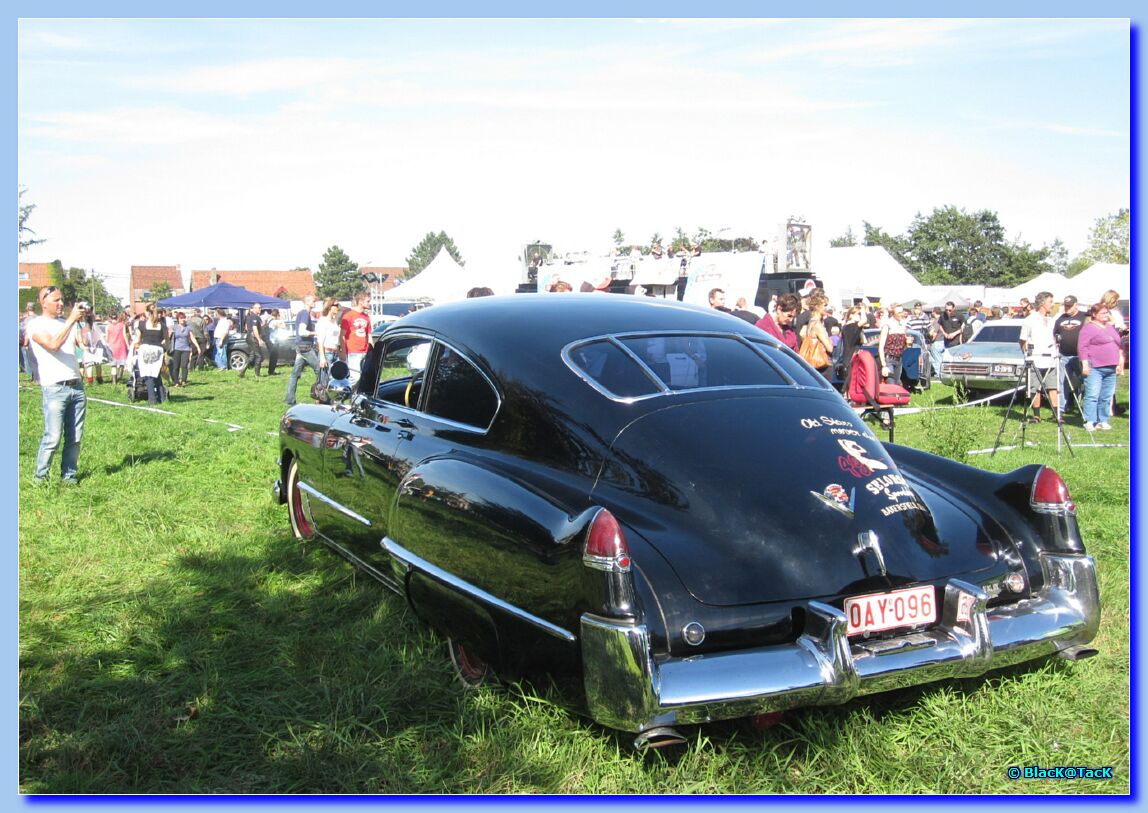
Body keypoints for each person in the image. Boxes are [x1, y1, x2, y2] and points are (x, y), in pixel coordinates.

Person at [28, 287, 88, 484]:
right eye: (56, 300)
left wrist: (80, 323)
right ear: (43, 302)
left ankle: (68, 476)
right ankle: (40, 478)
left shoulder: (66, 323)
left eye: (62, 300)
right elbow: (53, 345)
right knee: (52, 437)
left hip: (76, 386)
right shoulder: (36, 325)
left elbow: (81, 345)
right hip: (55, 388)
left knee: (75, 437)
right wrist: (71, 320)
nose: (61, 304)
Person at [1078, 302, 1124, 431]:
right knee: (1092, 395)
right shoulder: (1088, 328)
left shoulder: (1110, 327)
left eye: (1107, 313)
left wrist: (1119, 362)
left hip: (1111, 366)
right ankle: (1089, 420)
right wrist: (1085, 364)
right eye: (1103, 313)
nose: (1106, 315)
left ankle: (1102, 420)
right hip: (1095, 367)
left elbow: (1117, 345)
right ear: (1094, 314)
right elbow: (1082, 347)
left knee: (1106, 395)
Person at [1018, 291, 1060, 423]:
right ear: (1042, 303)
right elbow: (1022, 340)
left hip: (1051, 359)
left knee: (1053, 387)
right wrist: (1027, 354)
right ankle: (1036, 415)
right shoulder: (1030, 320)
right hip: (1035, 359)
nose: (1052, 305)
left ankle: (1056, 414)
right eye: (1050, 302)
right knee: (1035, 388)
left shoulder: (1052, 320)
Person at [284, 295, 321, 406]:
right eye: (313, 301)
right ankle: (320, 397)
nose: (315, 302)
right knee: (320, 370)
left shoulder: (301, 313)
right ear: (307, 302)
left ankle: (289, 399)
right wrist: (317, 333)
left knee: (295, 375)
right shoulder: (305, 313)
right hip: (306, 347)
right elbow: (302, 332)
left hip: (300, 347)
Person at [133, 304, 169, 405]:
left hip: (145, 349)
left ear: (147, 313)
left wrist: (136, 344)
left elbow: (138, 339)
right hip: (157, 349)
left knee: (147, 375)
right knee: (156, 373)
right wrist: (165, 348)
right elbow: (166, 340)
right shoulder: (162, 325)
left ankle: (152, 399)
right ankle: (162, 398)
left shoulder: (142, 324)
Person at [1053, 295, 1085, 412]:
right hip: (1064, 355)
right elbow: (1055, 333)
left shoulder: (1084, 316)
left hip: (1081, 356)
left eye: (1070, 306)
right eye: (1066, 306)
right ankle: (1062, 407)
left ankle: (1085, 406)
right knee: (1062, 381)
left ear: (1076, 305)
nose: (1067, 308)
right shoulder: (1060, 318)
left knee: (1085, 381)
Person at [799, 288, 834, 379]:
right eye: (825, 305)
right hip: (823, 363)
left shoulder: (811, 322)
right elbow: (829, 348)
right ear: (817, 307)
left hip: (814, 363)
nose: (827, 308)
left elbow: (802, 334)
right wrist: (830, 341)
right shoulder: (817, 324)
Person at [340, 291, 372, 385]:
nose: (369, 303)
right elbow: (342, 335)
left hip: (364, 350)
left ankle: (355, 396)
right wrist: (343, 351)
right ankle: (344, 391)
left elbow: (369, 334)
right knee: (355, 377)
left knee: (364, 377)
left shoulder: (366, 317)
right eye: (367, 301)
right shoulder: (349, 316)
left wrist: (372, 348)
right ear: (361, 302)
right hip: (353, 350)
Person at [878, 303, 909, 385]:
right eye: (899, 312)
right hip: (889, 360)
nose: (902, 314)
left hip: (899, 359)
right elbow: (881, 347)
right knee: (891, 386)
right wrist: (884, 365)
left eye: (902, 311)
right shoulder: (887, 325)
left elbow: (904, 346)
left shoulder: (903, 326)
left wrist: (907, 343)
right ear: (892, 314)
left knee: (897, 385)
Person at [838, 305, 867, 389]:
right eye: (858, 314)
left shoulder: (846, 327)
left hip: (847, 356)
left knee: (850, 381)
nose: (860, 316)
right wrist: (863, 309)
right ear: (851, 315)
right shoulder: (851, 327)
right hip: (852, 356)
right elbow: (864, 320)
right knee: (851, 381)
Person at [169, 311, 199, 387]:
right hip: (176, 348)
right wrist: (170, 333)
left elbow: (192, 337)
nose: (183, 319)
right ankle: (176, 382)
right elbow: (169, 337)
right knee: (176, 366)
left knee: (184, 365)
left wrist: (197, 347)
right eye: (181, 318)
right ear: (178, 319)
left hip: (186, 349)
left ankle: (183, 381)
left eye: (184, 318)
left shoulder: (188, 328)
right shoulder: (175, 327)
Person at [240, 302, 267, 378]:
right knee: (259, 356)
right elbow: (255, 329)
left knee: (252, 356)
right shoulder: (255, 317)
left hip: (249, 336)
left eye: (260, 307)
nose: (260, 309)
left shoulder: (249, 317)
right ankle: (257, 375)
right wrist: (259, 339)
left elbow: (246, 327)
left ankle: (242, 372)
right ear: (254, 309)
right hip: (253, 337)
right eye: (259, 308)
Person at [79, 312, 107, 385]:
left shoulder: (84, 329)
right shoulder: (95, 328)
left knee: (89, 365)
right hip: (96, 347)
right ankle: (99, 378)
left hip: (88, 348)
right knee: (98, 364)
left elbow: (85, 342)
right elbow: (99, 338)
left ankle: (90, 381)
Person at [316, 298, 343, 373]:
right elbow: (320, 341)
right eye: (336, 305)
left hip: (335, 353)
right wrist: (322, 358)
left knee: (335, 378)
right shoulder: (323, 321)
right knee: (325, 380)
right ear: (330, 307)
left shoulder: (334, 321)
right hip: (327, 353)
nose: (338, 307)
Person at [104, 311, 130, 385]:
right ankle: (120, 376)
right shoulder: (122, 325)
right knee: (122, 363)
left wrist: (106, 346)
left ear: (110, 317)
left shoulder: (108, 326)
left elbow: (106, 338)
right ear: (117, 317)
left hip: (111, 346)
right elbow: (125, 335)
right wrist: (128, 345)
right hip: (121, 346)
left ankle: (114, 381)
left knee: (113, 365)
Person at [927, 306, 945, 379]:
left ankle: (938, 374)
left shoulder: (937, 321)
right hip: (943, 341)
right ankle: (942, 373)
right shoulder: (943, 320)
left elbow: (934, 333)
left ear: (934, 312)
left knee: (936, 359)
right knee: (941, 358)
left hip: (937, 342)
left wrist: (931, 340)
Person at [266, 308, 285, 375]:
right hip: (273, 340)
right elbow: (283, 326)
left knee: (273, 356)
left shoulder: (269, 320)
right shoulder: (275, 321)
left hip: (270, 339)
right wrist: (280, 319)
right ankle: (271, 371)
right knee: (274, 356)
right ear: (277, 314)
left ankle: (271, 371)